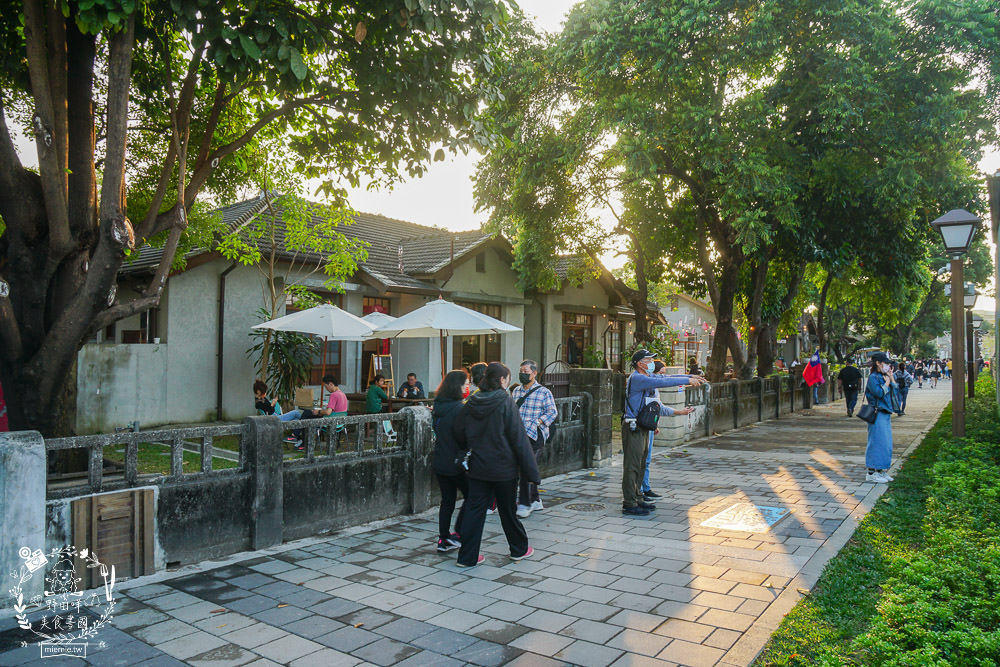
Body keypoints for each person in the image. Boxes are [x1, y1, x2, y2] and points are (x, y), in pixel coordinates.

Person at [453, 362, 539, 567]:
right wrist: (531, 472)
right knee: (507, 511)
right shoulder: (505, 401)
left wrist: (468, 446)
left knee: (474, 510)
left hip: (478, 466)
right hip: (504, 468)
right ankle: (518, 549)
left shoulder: (473, 401)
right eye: (508, 378)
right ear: (501, 380)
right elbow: (519, 438)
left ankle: (467, 557)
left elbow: (458, 429)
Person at [621, 349, 705, 516]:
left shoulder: (648, 376)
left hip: (642, 426)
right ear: (640, 364)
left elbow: (666, 377)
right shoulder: (637, 378)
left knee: (641, 463)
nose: (652, 363)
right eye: (649, 360)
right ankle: (629, 503)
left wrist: (690, 377)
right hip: (633, 426)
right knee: (632, 465)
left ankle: (638, 497)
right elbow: (664, 382)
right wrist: (688, 380)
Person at [640, 361, 696, 500]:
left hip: (648, 426)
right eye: (661, 373)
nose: (663, 376)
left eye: (663, 373)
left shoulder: (653, 388)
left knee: (646, 460)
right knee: (641, 460)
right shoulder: (643, 382)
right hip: (639, 427)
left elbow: (657, 408)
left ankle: (645, 488)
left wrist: (690, 377)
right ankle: (639, 491)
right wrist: (688, 379)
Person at [511, 360, 558, 519]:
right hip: (518, 435)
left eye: (526, 372)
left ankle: (525, 503)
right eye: (521, 371)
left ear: (534, 373)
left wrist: (538, 422)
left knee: (527, 467)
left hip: (535, 435)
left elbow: (552, 412)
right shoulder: (516, 391)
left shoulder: (544, 392)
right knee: (524, 467)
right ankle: (536, 500)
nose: (523, 374)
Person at [431, 370, 470, 553]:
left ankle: (444, 538)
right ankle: (460, 533)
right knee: (472, 496)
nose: (467, 386)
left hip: (440, 459)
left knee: (447, 500)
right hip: (456, 462)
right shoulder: (460, 409)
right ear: (457, 386)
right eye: (465, 383)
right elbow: (465, 437)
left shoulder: (438, 406)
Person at [864, 352, 900, 484]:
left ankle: (880, 470)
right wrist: (887, 382)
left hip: (885, 413)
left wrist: (891, 378)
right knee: (876, 442)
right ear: (878, 363)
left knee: (885, 443)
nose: (888, 365)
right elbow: (879, 393)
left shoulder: (883, 376)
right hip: (877, 413)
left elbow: (896, 390)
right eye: (885, 363)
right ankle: (871, 472)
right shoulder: (873, 377)